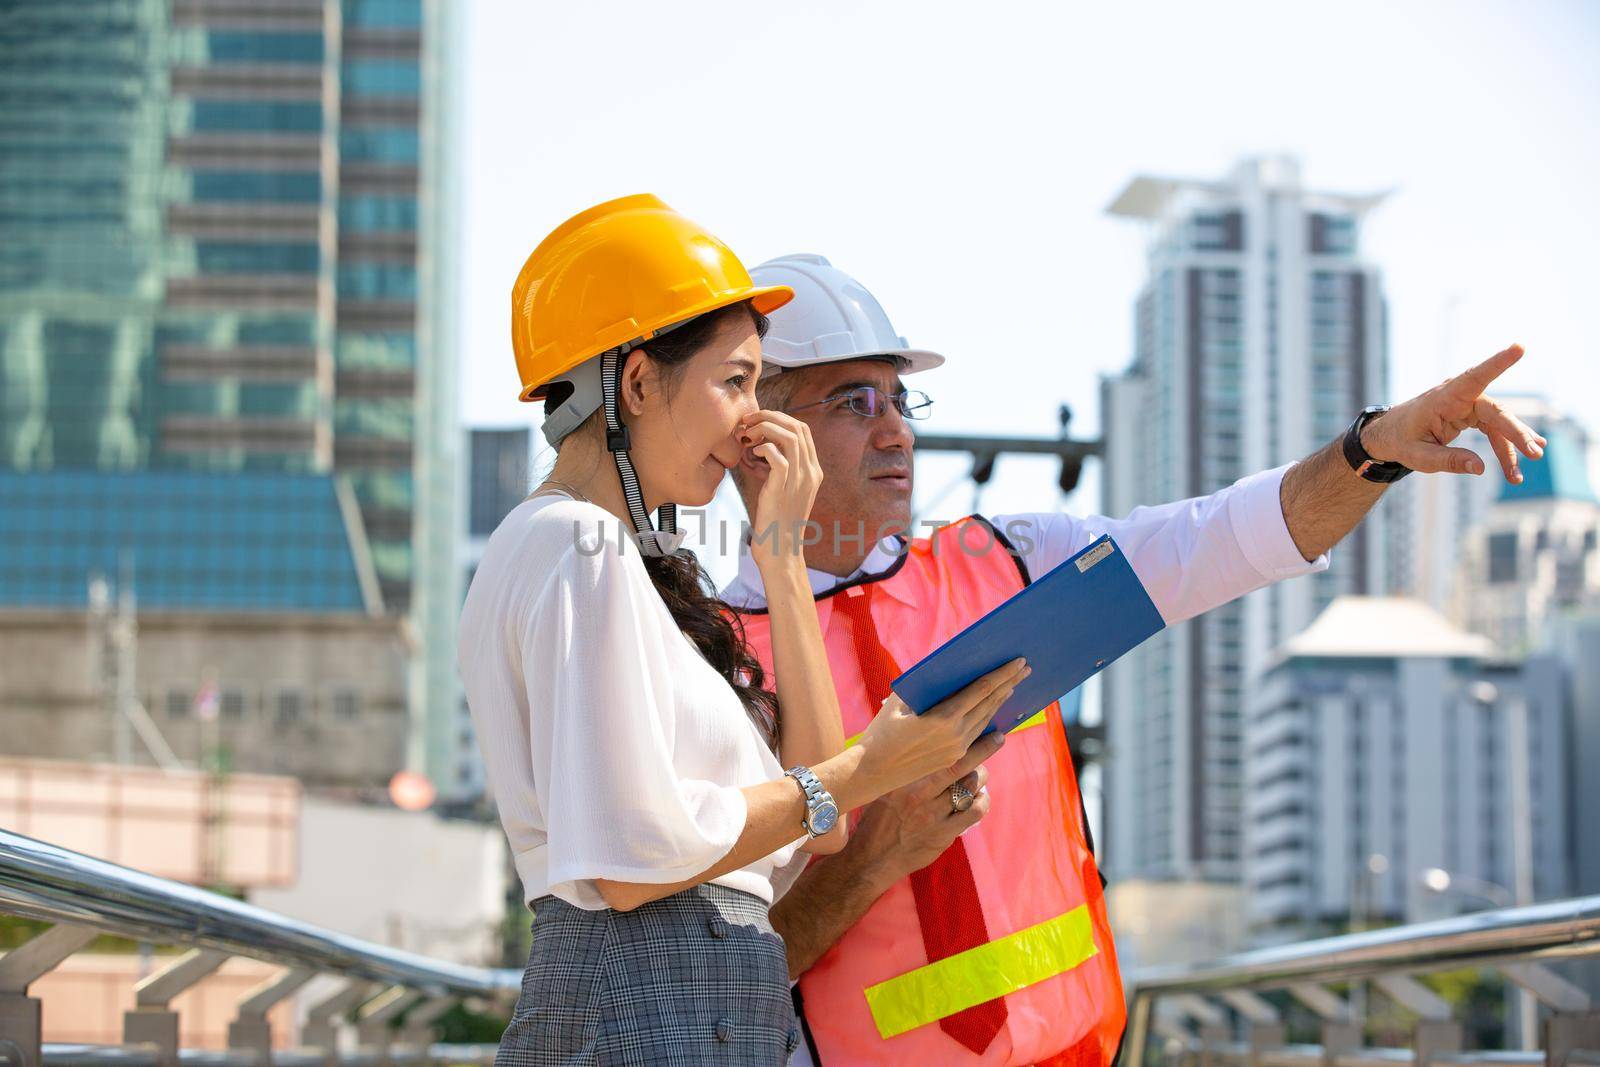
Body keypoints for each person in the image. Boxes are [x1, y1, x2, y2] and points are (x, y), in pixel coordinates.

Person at [722, 253, 1545, 1066]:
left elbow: (1230, 536)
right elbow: (717, 980)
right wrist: (871, 856)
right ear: (758, 434)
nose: (897, 428)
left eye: (901, 399)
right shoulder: (710, 661)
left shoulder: (1013, 565)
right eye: (855, 401)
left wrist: (1374, 448)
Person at [458, 199, 1029, 1066]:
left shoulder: (622, 562)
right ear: (639, 385)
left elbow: (819, 819)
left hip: (688, 1010)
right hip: (643, 1005)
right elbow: (631, 858)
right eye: (734, 383)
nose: (754, 423)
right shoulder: (573, 543)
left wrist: (781, 553)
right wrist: (868, 767)